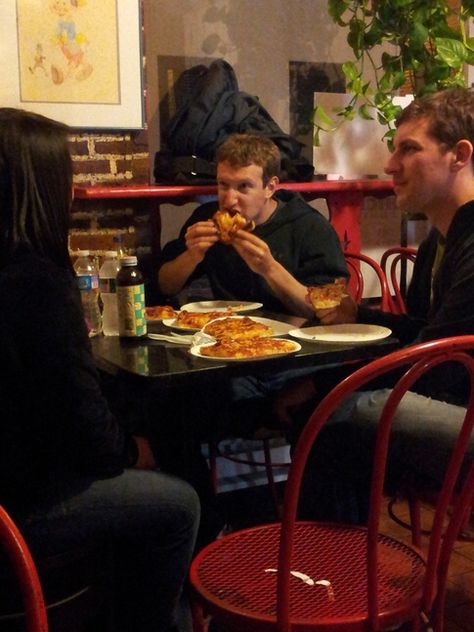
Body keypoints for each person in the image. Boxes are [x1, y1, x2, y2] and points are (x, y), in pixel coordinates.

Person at [0, 108, 200, 632]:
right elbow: (81, 427)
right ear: (38, 186)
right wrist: (133, 451)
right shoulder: (36, 282)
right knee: (179, 501)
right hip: (19, 509)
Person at [283, 87, 474, 524]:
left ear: (459, 155)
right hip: (451, 396)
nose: (390, 165)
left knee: (332, 415)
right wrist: (360, 315)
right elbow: (425, 332)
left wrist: (323, 385)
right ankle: (338, 563)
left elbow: (438, 361)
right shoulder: (440, 240)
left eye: (409, 149)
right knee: (330, 405)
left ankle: (336, 573)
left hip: (465, 415)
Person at [158, 132, 348, 317]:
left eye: (243, 187)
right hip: (228, 334)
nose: (230, 199)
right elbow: (164, 286)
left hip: (294, 339)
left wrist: (269, 268)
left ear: (270, 188)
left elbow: (327, 312)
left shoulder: (310, 227)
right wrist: (191, 256)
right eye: (223, 185)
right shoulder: (206, 217)